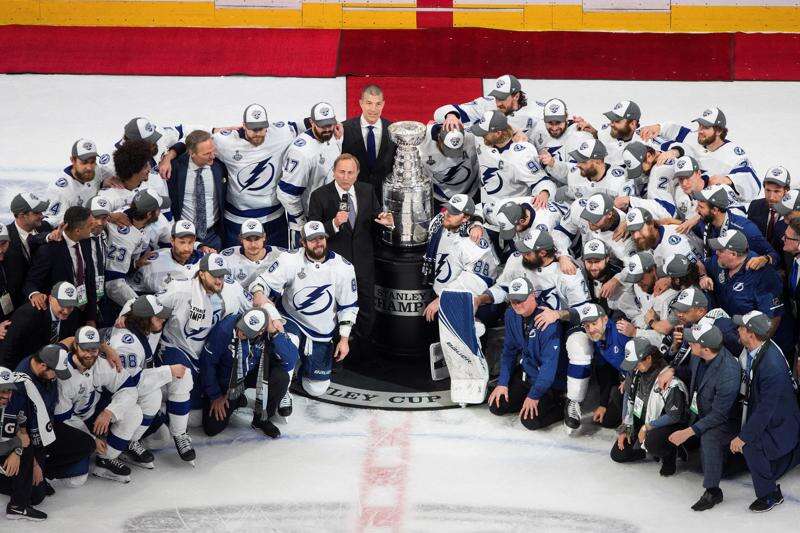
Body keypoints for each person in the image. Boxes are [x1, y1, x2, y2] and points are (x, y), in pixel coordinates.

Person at [156, 253, 252, 463]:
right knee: (183, 379)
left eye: (222, 275)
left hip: (205, 353)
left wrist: (272, 317)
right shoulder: (180, 289)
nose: (219, 280)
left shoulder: (231, 288)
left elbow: (254, 308)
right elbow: (149, 306)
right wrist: (126, 316)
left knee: (198, 419)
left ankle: (163, 411)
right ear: (201, 274)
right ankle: (175, 431)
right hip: (176, 346)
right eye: (214, 275)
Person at [250, 221, 358, 399]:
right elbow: (263, 282)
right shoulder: (290, 259)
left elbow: (349, 306)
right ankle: (283, 391)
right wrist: (259, 292)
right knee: (287, 349)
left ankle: (301, 365)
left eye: (321, 238)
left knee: (316, 389)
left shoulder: (344, 268)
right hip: (291, 318)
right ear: (303, 242)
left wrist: (344, 339)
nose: (318, 243)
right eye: (312, 239)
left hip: (321, 330)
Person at [308, 154, 394, 345]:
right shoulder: (320, 196)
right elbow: (312, 235)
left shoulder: (367, 190)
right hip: (335, 263)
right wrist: (334, 223)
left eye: (350, 172)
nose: (345, 177)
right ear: (334, 172)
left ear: (357, 174)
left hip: (364, 260)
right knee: (336, 305)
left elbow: (376, 218)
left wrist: (387, 223)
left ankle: (361, 348)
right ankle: (336, 348)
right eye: (341, 172)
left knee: (366, 304)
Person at [424, 195, 498, 405]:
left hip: (467, 297)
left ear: (465, 217)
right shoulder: (440, 223)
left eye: (454, 212)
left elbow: (480, 278)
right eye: (448, 209)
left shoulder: (475, 239)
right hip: (438, 290)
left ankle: (473, 368)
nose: (447, 214)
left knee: (472, 327)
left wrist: (444, 299)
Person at [666, 322, 741, 512]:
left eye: (693, 342)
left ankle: (712, 491)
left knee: (710, 437)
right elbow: (689, 374)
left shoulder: (728, 372)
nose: (689, 343)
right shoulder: (698, 355)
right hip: (697, 410)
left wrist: (689, 432)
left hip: (724, 421)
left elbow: (719, 415)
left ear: (705, 348)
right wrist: (672, 371)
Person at [54, 326, 142, 483]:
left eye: (93, 349)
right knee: (76, 481)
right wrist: (90, 439)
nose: (89, 354)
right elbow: (63, 421)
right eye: (85, 349)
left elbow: (130, 389)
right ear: (75, 346)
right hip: (70, 425)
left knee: (134, 412)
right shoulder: (63, 375)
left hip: (93, 415)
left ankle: (105, 459)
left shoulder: (101, 363)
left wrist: (109, 412)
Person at [731, 311, 800, 512]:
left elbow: (765, 411)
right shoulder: (759, 348)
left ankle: (770, 494)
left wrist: (743, 438)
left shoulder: (771, 366)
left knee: (751, 447)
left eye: (741, 328)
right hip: (773, 417)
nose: (738, 330)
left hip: (782, 423)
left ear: (751, 334)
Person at [107, 295, 184, 469]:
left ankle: (128, 442)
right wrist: (168, 371)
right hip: (110, 399)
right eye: (158, 317)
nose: (163, 320)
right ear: (144, 319)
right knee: (136, 412)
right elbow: (131, 383)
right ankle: (107, 456)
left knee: (155, 399)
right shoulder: (127, 344)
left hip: (124, 391)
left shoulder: (138, 330)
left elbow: (132, 303)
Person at [200, 308, 297, 439]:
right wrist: (215, 395)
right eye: (241, 327)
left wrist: (274, 333)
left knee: (281, 376)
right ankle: (237, 398)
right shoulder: (224, 330)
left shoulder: (269, 332)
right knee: (212, 427)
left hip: (253, 372)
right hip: (229, 379)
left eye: (247, 333)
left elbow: (290, 361)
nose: (241, 333)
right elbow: (208, 363)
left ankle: (261, 419)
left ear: (261, 331)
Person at [488, 277, 566, 430]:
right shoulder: (511, 314)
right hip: (527, 375)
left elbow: (548, 367)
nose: (517, 305)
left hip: (549, 382)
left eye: (521, 300)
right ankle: (524, 396)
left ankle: (560, 405)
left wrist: (534, 395)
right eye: (513, 300)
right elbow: (509, 351)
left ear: (532, 296)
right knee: (496, 405)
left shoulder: (547, 321)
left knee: (530, 421)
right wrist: (503, 382)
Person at [701, 229, 792, 359]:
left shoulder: (763, 275)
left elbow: (773, 318)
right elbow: (700, 264)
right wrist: (703, 276)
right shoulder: (719, 262)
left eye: (720, 250)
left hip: (759, 343)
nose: (716, 253)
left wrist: (755, 349)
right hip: (734, 336)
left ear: (733, 254)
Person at [641, 107, 761, 205]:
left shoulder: (733, 153)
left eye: (706, 127)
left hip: (713, 207)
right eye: (700, 126)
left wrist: (728, 180)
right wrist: (657, 127)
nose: (700, 131)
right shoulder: (694, 138)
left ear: (719, 131)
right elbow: (675, 130)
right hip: (686, 198)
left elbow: (753, 182)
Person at [16, 345, 94, 491]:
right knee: (36, 495)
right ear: (43, 366)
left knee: (88, 444)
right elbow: (21, 432)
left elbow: (70, 341)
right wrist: (34, 464)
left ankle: (46, 469)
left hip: (48, 426)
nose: (57, 376)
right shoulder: (21, 387)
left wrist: (108, 350)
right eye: (55, 372)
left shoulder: (50, 355)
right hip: (30, 436)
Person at [611, 338, 688, 477]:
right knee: (618, 454)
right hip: (641, 416)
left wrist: (647, 427)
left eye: (636, 364)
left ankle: (669, 453)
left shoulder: (669, 380)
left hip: (662, 424)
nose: (634, 368)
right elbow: (627, 396)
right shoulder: (634, 372)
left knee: (654, 442)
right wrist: (625, 428)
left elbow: (674, 416)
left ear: (648, 358)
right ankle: (644, 447)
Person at [278, 102, 343, 248]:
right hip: (309, 219)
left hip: (330, 216)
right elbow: (286, 193)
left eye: (330, 124)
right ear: (312, 122)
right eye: (322, 125)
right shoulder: (301, 153)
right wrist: (302, 223)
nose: (327, 129)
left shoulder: (332, 136)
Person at [24, 205, 98, 327]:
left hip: (81, 311)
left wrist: (91, 317)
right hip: (59, 316)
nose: (94, 225)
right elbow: (31, 281)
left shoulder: (85, 242)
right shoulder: (49, 250)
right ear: (77, 230)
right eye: (90, 224)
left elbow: (89, 280)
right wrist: (34, 294)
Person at [567, 303, 629, 432]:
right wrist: (603, 404)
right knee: (607, 420)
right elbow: (604, 373)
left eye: (594, 324)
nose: (591, 329)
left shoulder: (622, 332)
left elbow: (646, 358)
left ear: (605, 319)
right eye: (586, 326)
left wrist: (630, 378)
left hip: (643, 381)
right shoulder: (598, 340)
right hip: (625, 381)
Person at [166, 129, 227, 250]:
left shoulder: (219, 166)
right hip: (184, 237)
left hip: (213, 236)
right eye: (206, 154)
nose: (212, 156)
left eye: (212, 151)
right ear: (191, 153)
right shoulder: (174, 169)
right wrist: (167, 158)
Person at [0, 282, 79, 370]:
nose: (66, 311)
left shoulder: (73, 314)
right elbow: (7, 352)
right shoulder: (28, 315)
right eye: (62, 305)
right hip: (23, 369)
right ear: (50, 299)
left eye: (70, 306)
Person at [693, 185, 778, 265]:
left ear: (715, 210)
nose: (697, 210)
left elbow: (774, 256)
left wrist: (764, 259)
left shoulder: (746, 229)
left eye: (701, 207)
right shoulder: (705, 221)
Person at [435, 74, 539, 141]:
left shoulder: (535, 113)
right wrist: (451, 115)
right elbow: (440, 112)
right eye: (497, 98)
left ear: (516, 96)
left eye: (502, 98)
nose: (498, 103)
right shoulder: (486, 104)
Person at [0, 367, 42, 521]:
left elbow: (23, 434)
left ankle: (18, 500)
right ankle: (17, 507)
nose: (6, 395)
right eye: (2, 390)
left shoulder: (16, 402)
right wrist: (17, 444)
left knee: (37, 494)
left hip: (5, 452)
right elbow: (20, 439)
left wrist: (17, 453)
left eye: (8, 391)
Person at [341, 85, 397, 199]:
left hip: (383, 197)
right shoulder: (344, 129)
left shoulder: (393, 130)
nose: (373, 109)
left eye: (378, 104)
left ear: (383, 104)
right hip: (353, 196)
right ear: (361, 103)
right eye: (369, 103)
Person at [43, 139, 113, 227]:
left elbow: (92, 187)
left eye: (92, 162)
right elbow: (51, 224)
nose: (89, 167)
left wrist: (103, 183)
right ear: (73, 160)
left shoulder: (95, 171)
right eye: (84, 162)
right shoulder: (60, 191)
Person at [129, 220, 205, 295]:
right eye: (182, 242)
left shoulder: (204, 261)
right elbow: (135, 290)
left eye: (190, 242)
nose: (187, 248)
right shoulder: (152, 262)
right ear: (172, 241)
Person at [5, 193, 53, 310]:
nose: (42, 216)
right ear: (22, 216)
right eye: (37, 213)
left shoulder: (46, 228)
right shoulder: (5, 238)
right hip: (18, 307)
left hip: (48, 302)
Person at [417, 122, 478, 209]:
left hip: (470, 193)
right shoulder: (423, 140)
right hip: (436, 195)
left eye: (457, 150)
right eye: (448, 149)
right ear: (439, 139)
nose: (452, 155)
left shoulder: (472, 137)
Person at [572, 100, 645, 165]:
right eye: (611, 119)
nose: (611, 124)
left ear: (632, 124)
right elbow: (602, 140)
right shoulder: (605, 130)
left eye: (617, 121)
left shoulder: (644, 142)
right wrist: (594, 133)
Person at [747, 166, 791, 258]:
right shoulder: (755, 206)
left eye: (776, 191)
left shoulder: (793, 213)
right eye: (768, 190)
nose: (771, 197)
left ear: (786, 191)